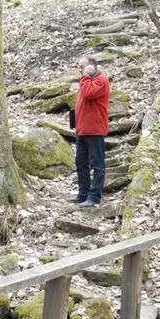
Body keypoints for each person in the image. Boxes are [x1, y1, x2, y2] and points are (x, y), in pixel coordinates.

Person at [68, 55, 110, 208]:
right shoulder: (86, 81)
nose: (80, 70)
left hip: (95, 130)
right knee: (81, 163)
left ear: (92, 67)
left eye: (83, 67)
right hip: (83, 130)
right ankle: (83, 193)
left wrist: (86, 75)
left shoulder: (101, 80)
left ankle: (94, 197)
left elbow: (88, 93)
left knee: (97, 165)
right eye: (79, 67)